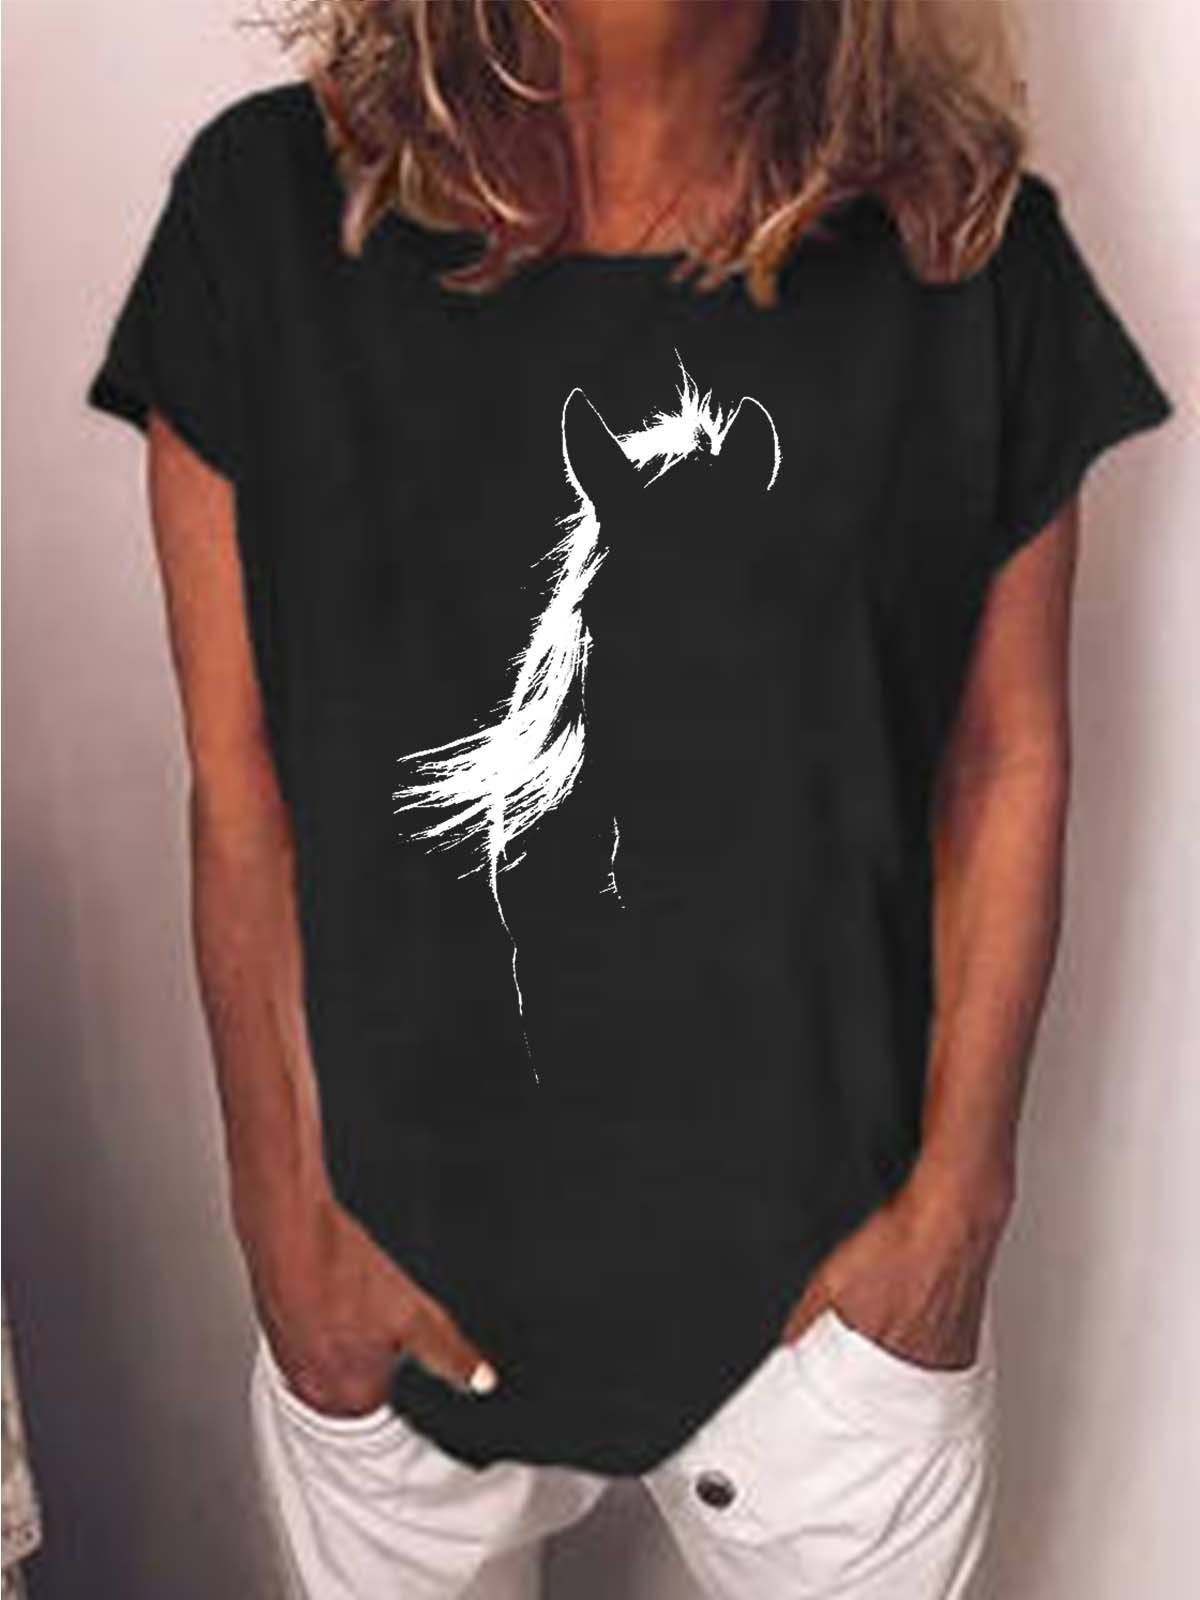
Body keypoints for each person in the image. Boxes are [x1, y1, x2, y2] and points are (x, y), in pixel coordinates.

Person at [84, 2, 1174, 1596]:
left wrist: (956, 1209)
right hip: (399, 1289)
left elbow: (1006, 753)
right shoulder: (263, 221)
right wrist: (284, 1218)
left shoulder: (962, 245)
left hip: (829, 1319)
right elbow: (239, 775)